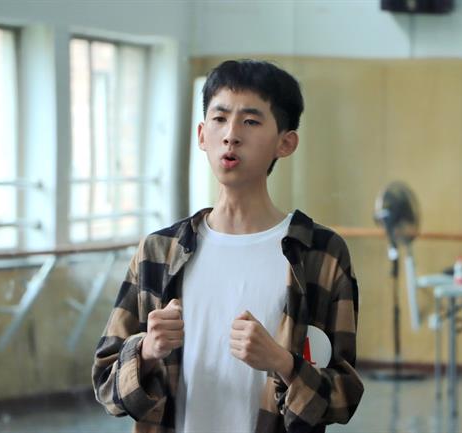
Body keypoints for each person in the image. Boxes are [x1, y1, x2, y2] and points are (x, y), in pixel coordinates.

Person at [91, 59, 364, 433]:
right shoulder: (159, 252)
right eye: (219, 118)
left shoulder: (320, 254)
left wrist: (283, 363)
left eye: (250, 121)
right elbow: (106, 385)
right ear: (202, 135)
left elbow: (345, 397)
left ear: (285, 142)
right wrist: (147, 351)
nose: (231, 135)